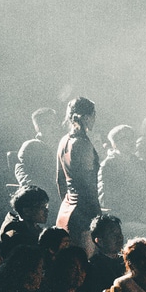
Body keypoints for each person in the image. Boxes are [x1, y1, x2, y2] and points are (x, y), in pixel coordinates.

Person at [56, 97, 101, 229]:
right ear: (87, 117)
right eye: (94, 115)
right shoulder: (82, 144)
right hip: (84, 211)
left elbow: (60, 180)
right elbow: (89, 186)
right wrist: (97, 215)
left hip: (66, 209)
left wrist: (67, 203)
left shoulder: (63, 141)